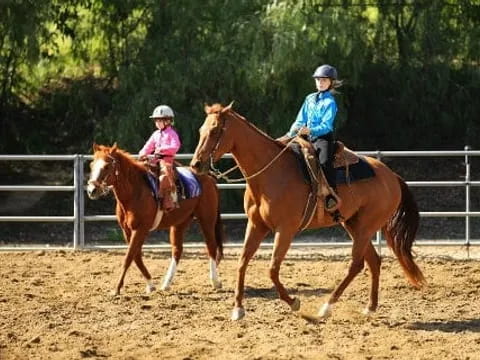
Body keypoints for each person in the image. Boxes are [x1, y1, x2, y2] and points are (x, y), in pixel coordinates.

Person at [282, 64, 342, 211]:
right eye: (318, 80)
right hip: (304, 136)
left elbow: (326, 126)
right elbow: (299, 119)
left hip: (322, 138)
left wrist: (310, 130)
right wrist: (290, 134)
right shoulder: (309, 98)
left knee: (325, 161)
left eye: (324, 80)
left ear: (331, 83)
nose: (320, 83)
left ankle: (331, 195)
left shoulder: (330, 103)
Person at [139, 105, 181, 211]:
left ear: (167, 121)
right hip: (154, 160)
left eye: (159, 120)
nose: (156, 122)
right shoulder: (155, 134)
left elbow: (175, 146)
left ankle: (168, 200)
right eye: (156, 120)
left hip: (166, 161)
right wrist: (142, 153)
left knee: (164, 176)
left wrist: (162, 150)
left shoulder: (172, 134)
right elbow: (148, 146)